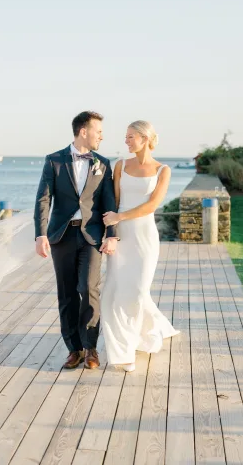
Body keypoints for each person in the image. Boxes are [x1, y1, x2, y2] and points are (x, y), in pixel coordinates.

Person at [34, 111, 118, 370]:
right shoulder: (54, 160)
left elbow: (108, 203)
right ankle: (74, 349)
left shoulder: (103, 163)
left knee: (88, 289)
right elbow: (43, 199)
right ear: (84, 131)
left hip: (91, 236)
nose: (101, 136)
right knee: (67, 293)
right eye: (98, 131)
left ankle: (91, 348)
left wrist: (112, 235)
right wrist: (40, 234)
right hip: (61, 236)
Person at [101, 120, 179, 372]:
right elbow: (114, 200)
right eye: (126, 136)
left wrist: (120, 217)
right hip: (121, 235)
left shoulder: (163, 170)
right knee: (115, 290)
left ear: (145, 138)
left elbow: (152, 205)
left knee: (137, 291)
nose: (126, 140)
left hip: (144, 235)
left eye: (130, 136)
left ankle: (152, 327)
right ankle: (123, 352)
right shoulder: (120, 166)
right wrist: (111, 232)